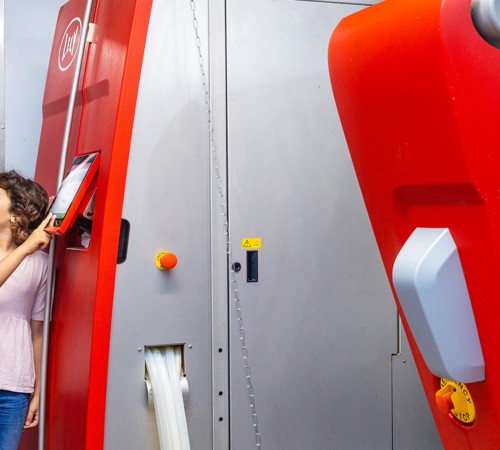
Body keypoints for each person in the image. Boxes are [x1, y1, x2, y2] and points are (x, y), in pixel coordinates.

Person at [0, 170, 55, 450]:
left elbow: (37, 330)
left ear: (17, 215)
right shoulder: (28, 254)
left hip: (14, 387)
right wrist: (25, 249)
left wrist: (37, 391)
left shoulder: (41, 264)